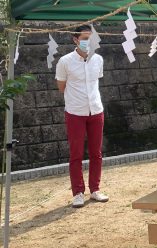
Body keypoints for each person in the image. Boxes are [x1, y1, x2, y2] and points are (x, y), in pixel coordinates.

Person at [55, 25, 109, 208]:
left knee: (96, 153)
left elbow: (96, 81)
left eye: (90, 38)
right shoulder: (65, 61)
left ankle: (95, 189)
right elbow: (61, 87)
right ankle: (78, 192)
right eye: (84, 38)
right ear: (75, 39)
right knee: (76, 154)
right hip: (75, 112)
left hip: (96, 110)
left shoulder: (98, 60)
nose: (88, 42)